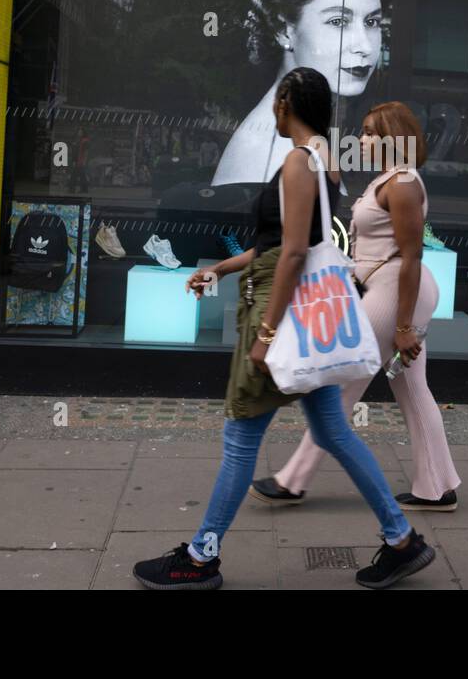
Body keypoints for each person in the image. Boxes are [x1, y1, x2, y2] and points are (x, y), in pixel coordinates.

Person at [133, 68, 436, 589]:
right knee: (332, 431)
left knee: (240, 433)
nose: (274, 110)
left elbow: (295, 251)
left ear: (287, 104)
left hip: (284, 309)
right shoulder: (327, 162)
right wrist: (221, 268)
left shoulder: (300, 161)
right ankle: (401, 539)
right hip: (308, 309)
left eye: (278, 101)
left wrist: (267, 333)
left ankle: (201, 557)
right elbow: (290, 239)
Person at [251, 101, 461, 510]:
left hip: (397, 290)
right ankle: (435, 487)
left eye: (369, 132)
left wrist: (403, 326)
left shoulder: (401, 184)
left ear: (391, 138)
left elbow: (411, 257)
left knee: (340, 386)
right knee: (413, 388)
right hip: (391, 289)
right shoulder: (389, 180)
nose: (360, 140)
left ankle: (293, 480)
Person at [212, 0, 385, 186]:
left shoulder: (297, 133)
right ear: (284, 29)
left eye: (372, 22)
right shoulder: (276, 150)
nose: (364, 46)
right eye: (338, 21)